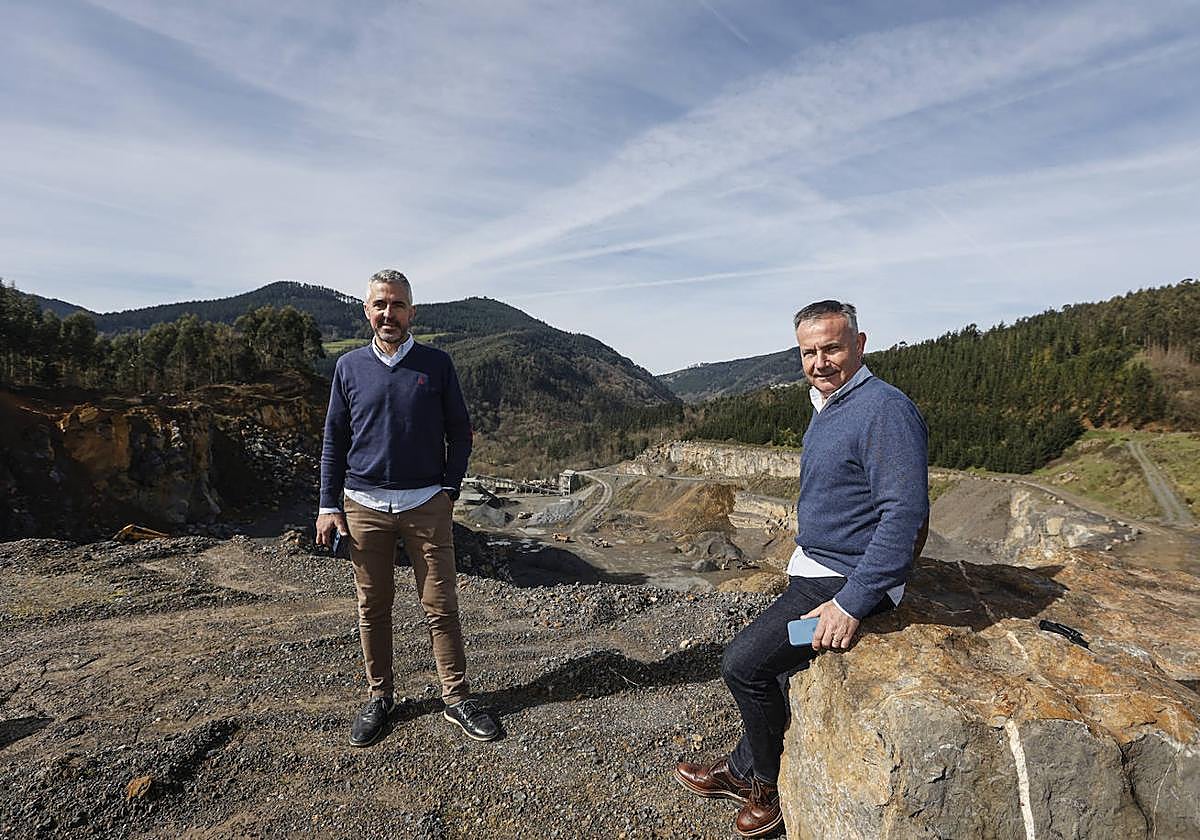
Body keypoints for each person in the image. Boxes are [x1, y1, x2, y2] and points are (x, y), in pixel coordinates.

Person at [675, 300, 928, 837]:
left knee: (743, 665)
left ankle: (765, 787)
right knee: (779, 667)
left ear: (860, 345)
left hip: (844, 578)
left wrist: (851, 603)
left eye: (832, 348)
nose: (820, 362)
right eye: (809, 352)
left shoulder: (884, 410)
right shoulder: (831, 404)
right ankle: (743, 766)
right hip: (817, 567)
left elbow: (904, 515)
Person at [316, 269, 499, 747]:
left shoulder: (437, 364)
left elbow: (460, 432)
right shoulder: (349, 367)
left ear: (411, 312)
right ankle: (380, 698)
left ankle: (456, 698)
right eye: (380, 305)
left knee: (440, 604)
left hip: (425, 504)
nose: (388, 313)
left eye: (397, 305)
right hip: (363, 505)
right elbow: (334, 439)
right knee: (373, 606)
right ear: (367, 311)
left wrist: (448, 490)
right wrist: (328, 504)